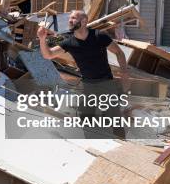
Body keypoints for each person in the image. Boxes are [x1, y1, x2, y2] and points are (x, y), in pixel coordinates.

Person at [37, 10, 128, 138]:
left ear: (84, 21)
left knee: (114, 119)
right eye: (70, 18)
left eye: (74, 18)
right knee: (85, 119)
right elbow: (48, 55)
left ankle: (122, 146)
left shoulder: (99, 36)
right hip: (88, 85)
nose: (70, 20)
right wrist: (42, 39)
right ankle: (91, 144)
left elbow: (119, 52)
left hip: (106, 83)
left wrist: (124, 72)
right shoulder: (70, 42)